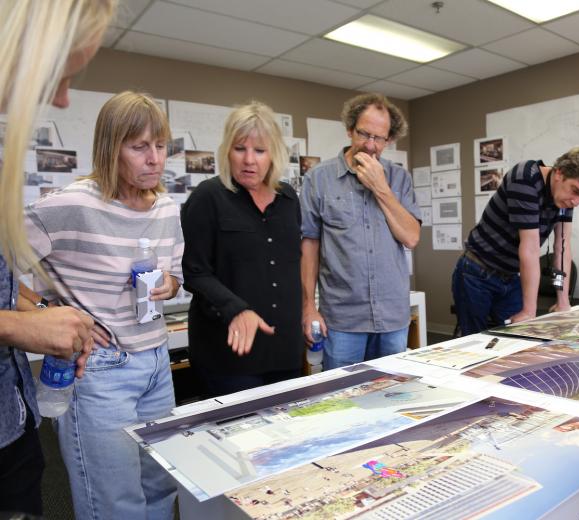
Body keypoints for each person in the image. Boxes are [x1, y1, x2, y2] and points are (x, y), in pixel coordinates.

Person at [23, 91, 182, 519]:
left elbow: (176, 273)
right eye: (139, 147)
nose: (154, 159)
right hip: (100, 370)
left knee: (161, 486)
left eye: (161, 146)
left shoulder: (166, 207)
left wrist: (170, 282)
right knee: (115, 503)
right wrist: (43, 309)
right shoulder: (71, 205)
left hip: (156, 361)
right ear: (112, 148)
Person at [0, 1, 115, 516]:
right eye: (60, 74)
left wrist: (40, 315)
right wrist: (23, 330)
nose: (65, 99)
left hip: (14, 419)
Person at [181, 102, 303, 397]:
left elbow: (289, 266)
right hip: (229, 354)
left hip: (283, 349)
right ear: (227, 151)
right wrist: (236, 308)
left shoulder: (288, 199)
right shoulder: (208, 197)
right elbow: (194, 271)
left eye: (259, 150)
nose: (249, 160)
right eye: (240, 149)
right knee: (240, 439)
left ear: (273, 153)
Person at [300, 93, 420, 370]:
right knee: (340, 399)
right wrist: (309, 306)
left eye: (379, 138)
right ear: (349, 129)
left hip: (392, 316)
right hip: (342, 318)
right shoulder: (318, 179)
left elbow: (411, 237)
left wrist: (381, 187)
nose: (370, 145)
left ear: (389, 139)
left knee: (392, 394)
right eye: (363, 134)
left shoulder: (399, 179)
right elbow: (309, 246)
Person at [452, 147, 579, 336]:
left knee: (517, 338)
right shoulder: (525, 179)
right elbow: (531, 249)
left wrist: (563, 301)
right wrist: (529, 311)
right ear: (560, 173)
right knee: (474, 340)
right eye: (575, 191)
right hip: (476, 271)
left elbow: (562, 249)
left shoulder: (565, 199)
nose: (576, 202)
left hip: (509, 276)